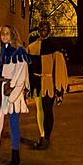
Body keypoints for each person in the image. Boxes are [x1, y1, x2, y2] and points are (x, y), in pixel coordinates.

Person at [0, 24, 30, 165]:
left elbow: (21, 75)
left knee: (13, 125)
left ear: (12, 35)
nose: (4, 36)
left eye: (7, 33)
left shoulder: (19, 52)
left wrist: (15, 92)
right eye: (2, 34)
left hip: (12, 92)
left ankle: (15, 156)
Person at [28, 20, 69, 149]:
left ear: (49, 30)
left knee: (47, 110)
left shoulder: (54, 47)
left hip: (48, 83)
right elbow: (28, 68)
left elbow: (60, 69)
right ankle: (42, 135)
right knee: (39, 110)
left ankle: (46, 138)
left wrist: (59, 89)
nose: (43, 30)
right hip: (36, 82)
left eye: (45, 28)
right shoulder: (32, 47)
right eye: (41, 28)